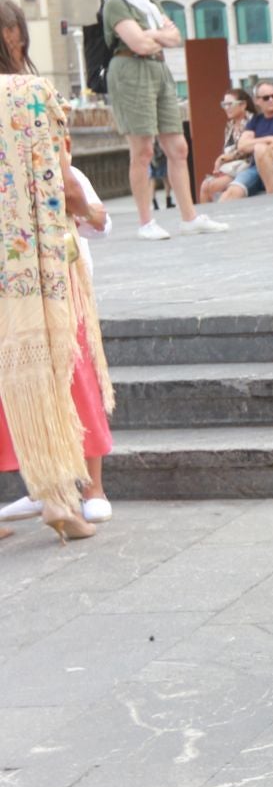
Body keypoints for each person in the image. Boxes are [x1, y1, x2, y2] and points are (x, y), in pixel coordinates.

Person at [0, 55, 113, 544]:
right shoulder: (30, 95)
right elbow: (64, 182)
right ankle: (59, 499)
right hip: (39, 274)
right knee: (63, 375)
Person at [100, 0, 229, 240]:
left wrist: (150, 35)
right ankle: (146, 221)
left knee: (178, 147)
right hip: (131, 70)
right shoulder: (116, 2)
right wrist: (156, 36)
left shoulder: (149, 0)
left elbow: (175, 38)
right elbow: (139, 44)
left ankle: (189, 217)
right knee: (143, 150)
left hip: (158, 70)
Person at [218, 80, 273, 199]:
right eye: (266, 98)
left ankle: (270, 197)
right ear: (257, 101)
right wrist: (269, 139)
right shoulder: (256, 120)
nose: (272, 100)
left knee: (260, 149)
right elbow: (242, 146)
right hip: (256, 169)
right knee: (230, 193)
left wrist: (259, 147)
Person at [200, 87, 258, 203]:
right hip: (233, 167)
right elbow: (227, 151)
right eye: (224, 105)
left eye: (230, 104)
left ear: (243, 105)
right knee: (205, 185)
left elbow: (247, 149)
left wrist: (224, 158)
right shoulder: (230, 124)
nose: (227, 108)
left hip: (248, 166)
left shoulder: (253, 121)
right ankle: (207, 216)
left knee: (210, 186)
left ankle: (213, 215)